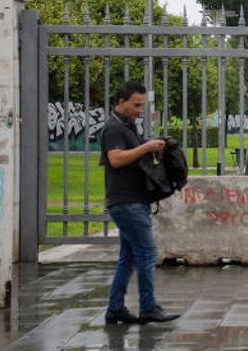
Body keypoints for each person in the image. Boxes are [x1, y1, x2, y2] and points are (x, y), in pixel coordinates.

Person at [101, 81, 180, 325]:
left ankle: (115, 309)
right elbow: (115, 159)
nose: (139, 110)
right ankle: (148, 307)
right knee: (147, 253)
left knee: (129, 257)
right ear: (121, 101)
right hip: (127, 203)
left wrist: (150, 149)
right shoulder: (113, 129)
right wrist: (145, 146)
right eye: (136, 105)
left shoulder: (128, 126)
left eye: (142, 105)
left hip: (133, 201)